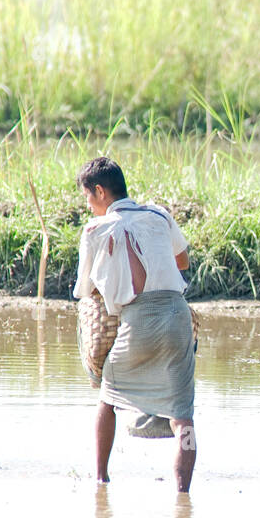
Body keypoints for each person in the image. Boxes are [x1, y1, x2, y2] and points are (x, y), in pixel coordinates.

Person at [73, 157, 197, 490]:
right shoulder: (158, 214)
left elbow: (85, 291)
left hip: (138, 318)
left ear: (100, 192)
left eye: (88, 198)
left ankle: (101, 478)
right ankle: (183, 493)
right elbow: (182, 260)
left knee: (108, 395)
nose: (88, 206)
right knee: (183, 414)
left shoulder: (96, 229)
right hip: (178, 315)